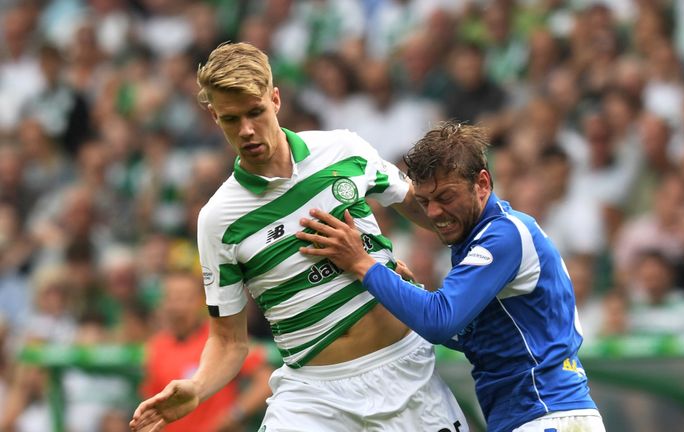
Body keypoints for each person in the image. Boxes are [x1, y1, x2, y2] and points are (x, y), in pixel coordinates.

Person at [130, 42, 467, 432]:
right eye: (231, 119)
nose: (247, 130)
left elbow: (428, 211)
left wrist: (495, 238)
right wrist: (197, 386)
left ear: (275, 99)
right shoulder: (217, 220)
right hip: (315, 398)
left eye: (255, 112)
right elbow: (229, 341)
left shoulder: (343, 149)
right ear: (213, 117)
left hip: (405, 371)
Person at [298, 121, 605, 431]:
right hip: (538, 416)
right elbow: (468, 334)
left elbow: (438, 321)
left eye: (445, 198)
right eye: (423, 201)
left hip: (547, 415)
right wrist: (410, 289)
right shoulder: (480, 239)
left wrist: (362, 264)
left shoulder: (504, 236)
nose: (432, 213)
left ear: (482, 184)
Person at [141, 271, 273, 432]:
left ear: (200, 301)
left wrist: (235, 415)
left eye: (183, 298)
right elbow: (152, 402)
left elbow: (265, 380)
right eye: (170, 297)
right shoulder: (156, 346)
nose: (176, 305)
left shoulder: (224, 338)